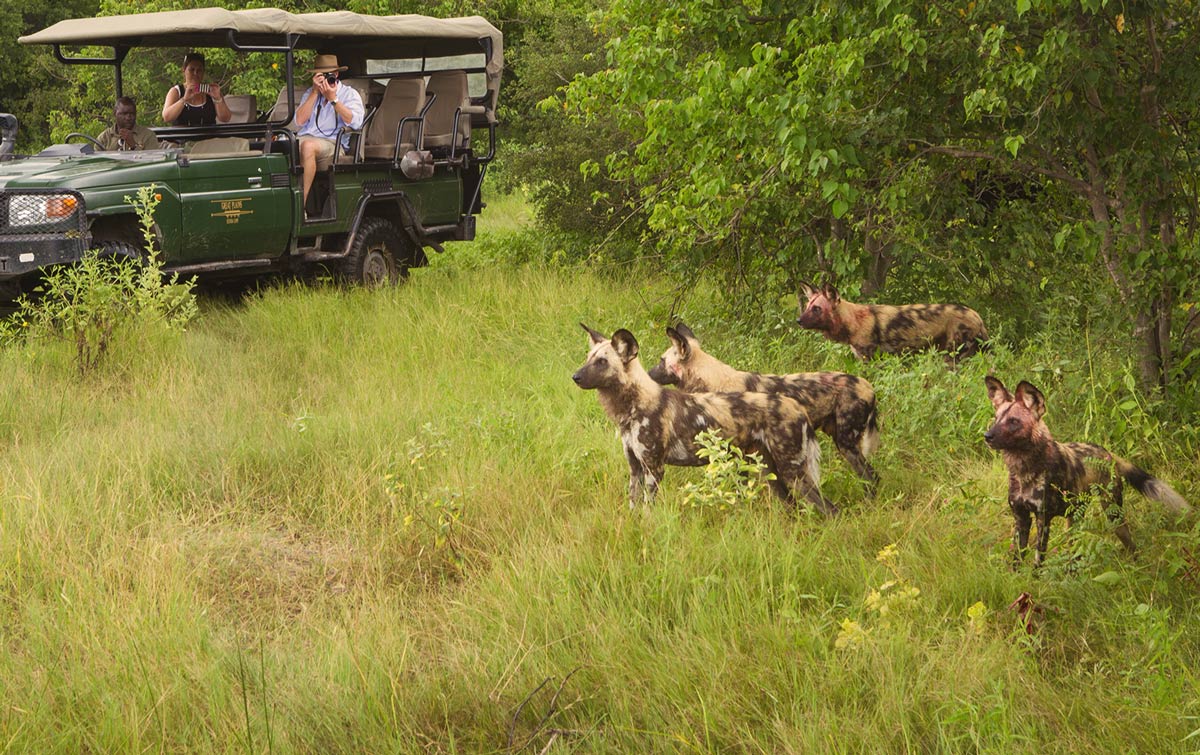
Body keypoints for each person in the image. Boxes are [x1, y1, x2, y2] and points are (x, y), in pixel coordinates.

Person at [294, 54, 365, 211]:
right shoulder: (310, 93)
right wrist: (314, 92)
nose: (325, 79)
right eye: (321, 75)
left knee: (307, 146)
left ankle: (300, 207)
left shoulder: (349, 94)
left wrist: (333, 100)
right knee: (281, 146)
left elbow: (355, 121)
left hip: (334, 143)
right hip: (304, 138)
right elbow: (298, 121)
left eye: (329, 75)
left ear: (337, 74)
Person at [161, 52, 232, 126]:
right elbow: (166, 117)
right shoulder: (176, 91)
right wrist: (184, 99)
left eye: (199, 70)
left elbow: (225, 118)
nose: (195, 73)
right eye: (191, 69)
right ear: (184, 71)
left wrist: (218, 99)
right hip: (183, 136)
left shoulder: (211, 91)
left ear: (203, 72)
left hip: (209, 136)